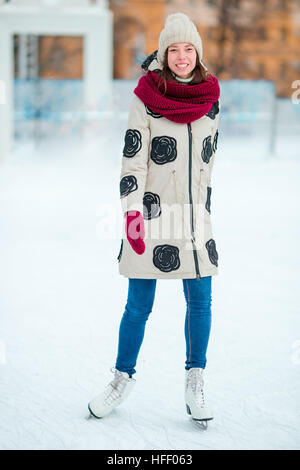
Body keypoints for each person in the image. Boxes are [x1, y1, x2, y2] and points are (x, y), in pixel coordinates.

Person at [88, 12, 221, 426]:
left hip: (193, 218)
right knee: (138, 306)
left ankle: (194, 380)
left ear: (197, 52)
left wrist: (203, 207)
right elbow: (133, 160)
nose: (182, 56)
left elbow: (206, 164)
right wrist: (131, 215)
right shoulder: (145, 97)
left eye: (188, 48)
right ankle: (120, 379)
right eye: (174, 49)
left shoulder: (211, 99)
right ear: (164, 54)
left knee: (200, 303)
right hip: (151, 216)